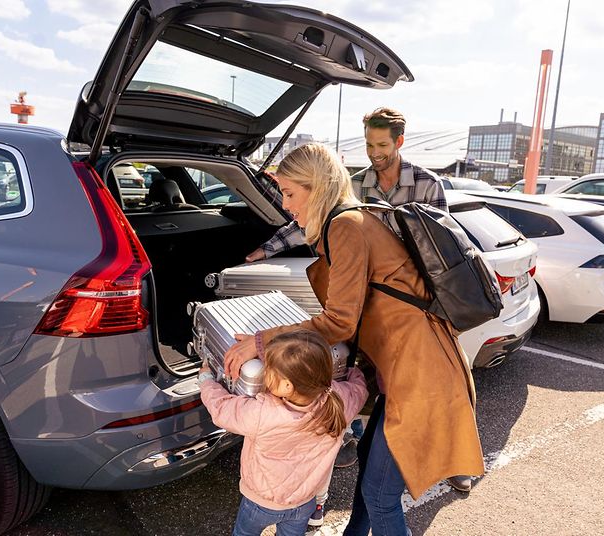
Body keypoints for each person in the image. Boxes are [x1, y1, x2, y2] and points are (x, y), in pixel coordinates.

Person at [226, 142, 485, 535]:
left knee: (380, 496)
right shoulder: (350, 220)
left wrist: (264, 341)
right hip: (407, 370)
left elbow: (340, 322)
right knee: (371, 471)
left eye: (291, 192)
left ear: (318, 187)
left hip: (419, 375)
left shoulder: (346, 226)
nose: (284, 203)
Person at [199, 329, 368, 536]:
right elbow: (360, 390)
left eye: (269, 371)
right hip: (304, 503)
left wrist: (206, 380)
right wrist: (353, 373)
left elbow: (222, 409)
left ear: (287, 386)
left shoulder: (262, 413)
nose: (265, 374)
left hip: (259, 503)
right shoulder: (338, 402)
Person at [245, 106, 447, 264]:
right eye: (369, 144)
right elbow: (316, 217)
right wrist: (268, 249)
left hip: (417, 294)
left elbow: (442, 245)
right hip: (371, 290)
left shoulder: (429, 185)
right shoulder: (354, 185)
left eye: (382, 145)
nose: (374, 152)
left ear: (399, 141)